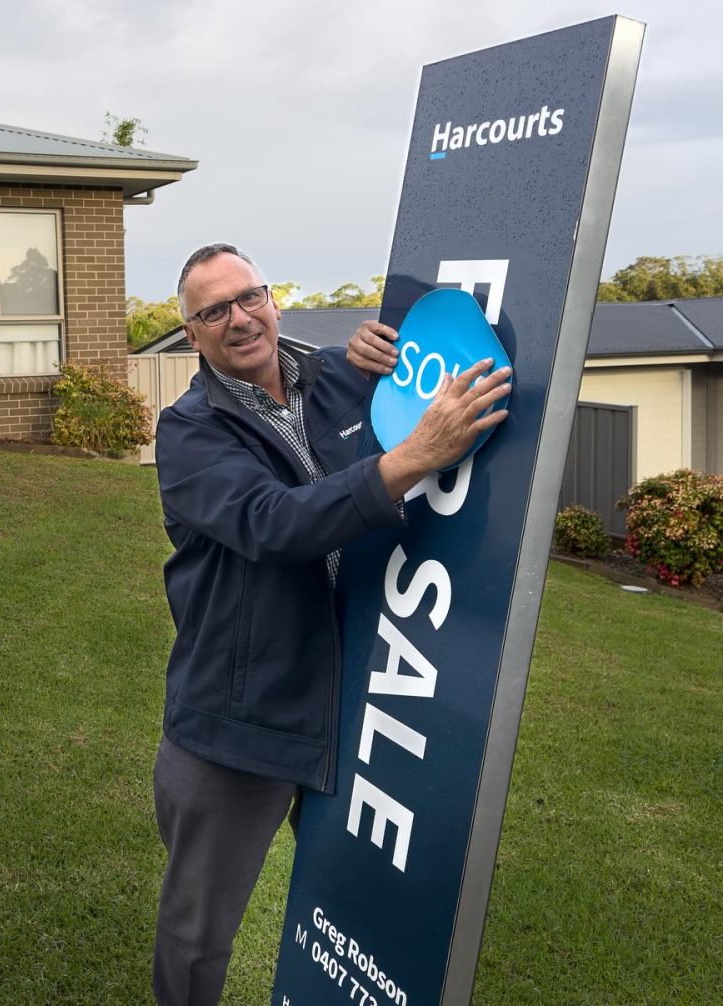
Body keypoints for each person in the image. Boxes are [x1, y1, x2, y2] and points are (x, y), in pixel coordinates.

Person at [152, 243, 511, 1005]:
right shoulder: (188, 432)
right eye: (213, 311)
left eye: (249, 297)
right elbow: (273, 523)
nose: (239, 319)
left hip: (358, 705)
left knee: (353, 914)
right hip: (238, 720)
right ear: (191, 333)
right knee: (196, 936)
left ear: (273, 299)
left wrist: (383, 360)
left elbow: (384, 421)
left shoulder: (336, 377)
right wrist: (414, 457)